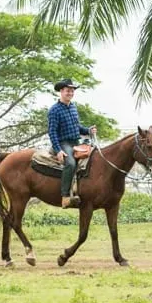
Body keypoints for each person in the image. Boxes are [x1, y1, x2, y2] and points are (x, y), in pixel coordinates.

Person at [47, 79, 97, 208]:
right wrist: (58, 150)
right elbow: (52, 132)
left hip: (76, 142)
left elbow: (77, 127)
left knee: (95, 157)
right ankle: (65, 197)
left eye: (72, 90)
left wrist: (88, 130)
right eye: (68, 90)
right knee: (70, 163)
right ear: (61, 91)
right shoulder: (54, 110)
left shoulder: (73, 107)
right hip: (64, 143)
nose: (70, 93)